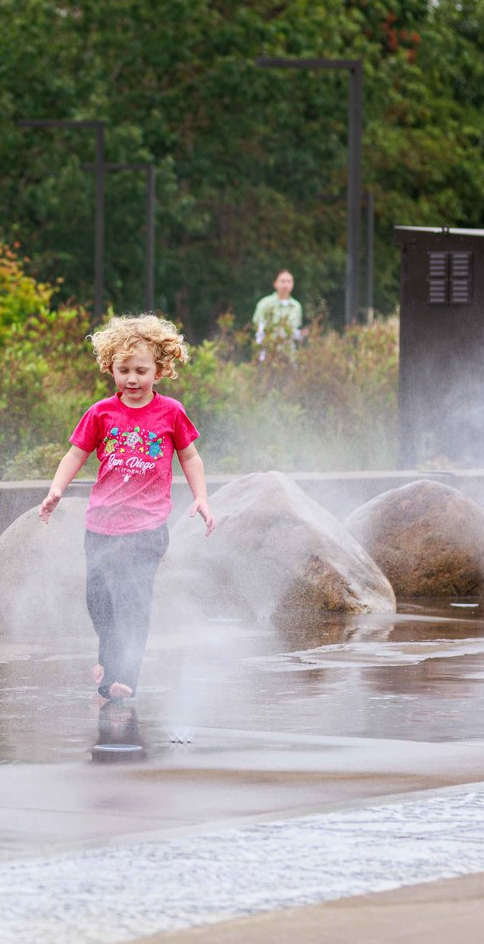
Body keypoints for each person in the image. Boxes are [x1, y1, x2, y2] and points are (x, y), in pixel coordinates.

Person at [38, 314, 215, 703]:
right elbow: (75, 454)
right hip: (100, 526)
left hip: (147, 528)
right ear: (110, 369)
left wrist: (201, 496)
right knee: (99, 601)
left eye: (141, 370)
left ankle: (123, 677)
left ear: (160, 369)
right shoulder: (101, 412)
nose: (132, 379)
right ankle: (108, 657)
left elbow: (191, 458)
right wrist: (56, 489)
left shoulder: (170, 412)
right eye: (123, 370)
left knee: (133, 601)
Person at [252, 269, 306, 359]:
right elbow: (259, 330)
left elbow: (293, 330)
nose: (286, 285)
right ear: (275, 283)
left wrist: (300, 335)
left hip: (288, 353)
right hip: (268, 350)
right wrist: (261, 354)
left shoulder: (296, 306)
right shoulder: (265, 303)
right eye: (282, 281)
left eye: (289, 281)